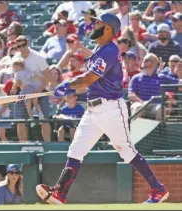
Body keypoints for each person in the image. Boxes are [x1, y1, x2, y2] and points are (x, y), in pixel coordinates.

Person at [36, 12, 170, 204]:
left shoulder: (108, 51)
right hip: (93, 110)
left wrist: (68, 84)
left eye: (97, 23)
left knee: (125, 149)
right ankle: (60, 193)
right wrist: (68, 89)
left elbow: (88, 78)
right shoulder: (98, 51)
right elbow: (89, 83)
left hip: (111, 108)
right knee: (76, 149)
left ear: (108, 28)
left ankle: (158, 189)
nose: (92, 25)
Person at [13, 35, 51, 142]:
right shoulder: (15, 58)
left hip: (40, 90)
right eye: (18, 47)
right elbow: (16, 78)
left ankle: (47, 145)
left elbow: (48, 76)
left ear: (28, 44)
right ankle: (23, 146)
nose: (21, 48)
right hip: (25, 91)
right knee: (20, 120)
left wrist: (38, 91)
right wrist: (19, 85)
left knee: (45, 120)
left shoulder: (38, 57)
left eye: (23, 45)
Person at [128, 53, 181, 120]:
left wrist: (179, 74)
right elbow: (131, 95)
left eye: (147, 60)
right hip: (140, 104)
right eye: (144, 59)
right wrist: (142, 102)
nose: (144, 61)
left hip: (156, 105)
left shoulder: (161, 77)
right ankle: (135, 130)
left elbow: (179, 84)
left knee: (160, 109)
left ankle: (159, 130)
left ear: (154, 63)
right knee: (137, 107)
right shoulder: (136, 77)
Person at [11, 56, 45, 120]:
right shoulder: (28, 70)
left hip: (25, 89)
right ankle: (41, 114)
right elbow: (35, 76)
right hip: (32, 88)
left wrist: (13, 88)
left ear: (19, 65)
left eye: (15, 66)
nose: (15, 68)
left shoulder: (17, 73)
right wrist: (42, 79)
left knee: (28, 105)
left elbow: (16, 82)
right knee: (35, 103)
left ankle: (31, 118)